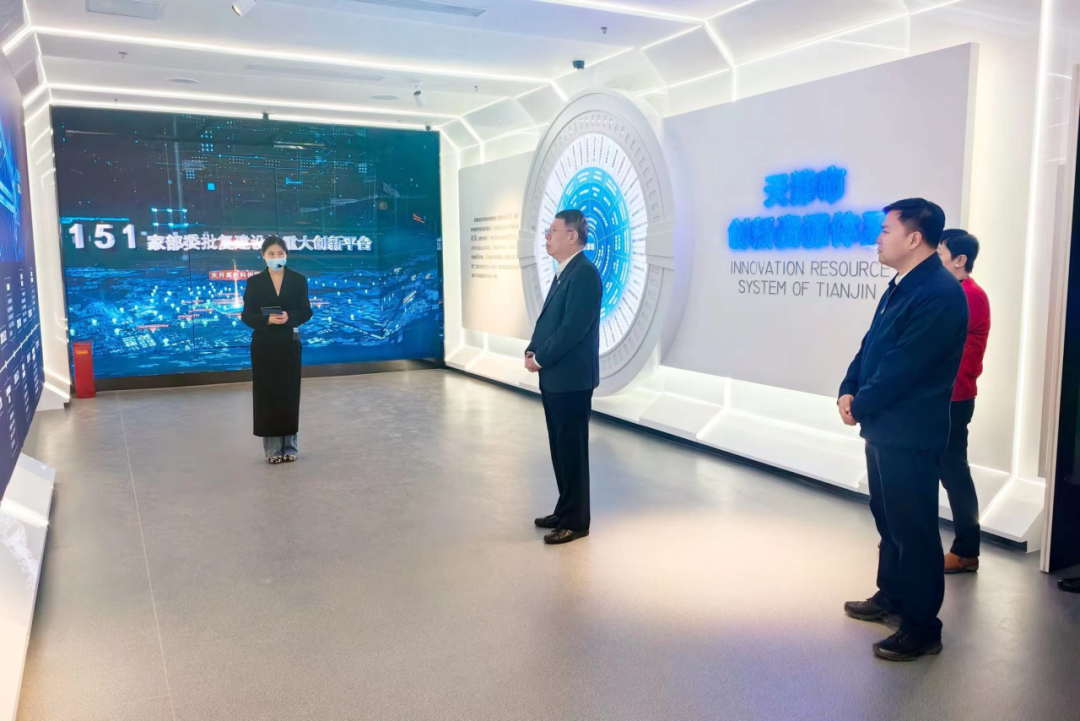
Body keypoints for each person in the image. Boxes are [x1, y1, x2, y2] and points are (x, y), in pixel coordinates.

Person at [838, 199, 969, 661]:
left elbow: (905, 366)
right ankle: (892, 594)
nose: (878, 239)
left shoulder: (939, 293)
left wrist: (861, 403)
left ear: (914, 238)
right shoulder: (901, 285)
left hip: (910, 433)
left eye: (885, 230)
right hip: (884, 429)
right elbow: (871, 347)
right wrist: (848, 387)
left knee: (914, 530)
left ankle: (921, 627)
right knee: (889, 520)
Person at [525, 209, 602, 545]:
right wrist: (532, 349)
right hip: (557, 379)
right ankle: (564, 509)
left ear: (572, 236)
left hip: (571, 381)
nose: (547, 236)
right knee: (560, 449)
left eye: (552, 230)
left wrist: (541, 358)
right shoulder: (566, 272)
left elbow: (572, 330)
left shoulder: (584, 274)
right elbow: (550, 322)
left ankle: (576, 521)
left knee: (572, 451)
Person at [937, 230, 991, 573]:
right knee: (939, 469)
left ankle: (967, 550)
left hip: (954, 397)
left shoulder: (970, 295)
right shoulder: (953, 292)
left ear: (960, 260)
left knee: (954, 472)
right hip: (940, 396)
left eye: (939, 254)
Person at [241, 235, 313, 464]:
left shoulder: (298, 280)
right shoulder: (254, 282)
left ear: (286, 255)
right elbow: (246, 315)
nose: (276, 257)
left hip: (289, 342)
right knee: (268, 395)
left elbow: (307, 311)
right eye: (271, 253)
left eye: (280, 253)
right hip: (264, 343)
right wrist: (267, 320)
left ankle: (290, 446)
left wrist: (290, 316)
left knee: (289, 394)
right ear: (263, 256)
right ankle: (272, 449)